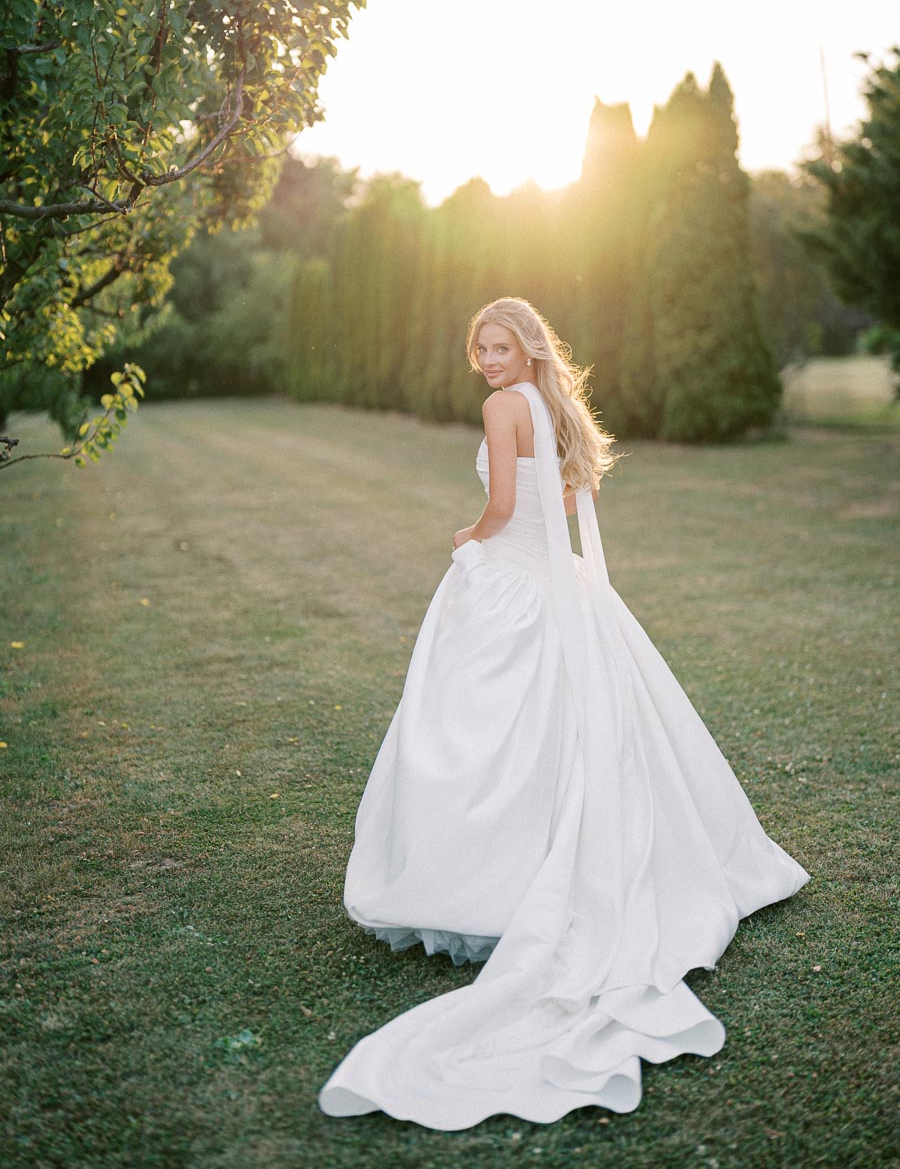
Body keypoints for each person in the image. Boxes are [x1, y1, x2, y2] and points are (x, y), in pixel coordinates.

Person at [318, 296, 809, 1130]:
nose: (487, 359)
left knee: (484, 733)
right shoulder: (556, 406)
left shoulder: (504, 407)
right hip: (561, 588)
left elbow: (507, 507)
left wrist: (467, 537)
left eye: (501, 345)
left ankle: (486, 886)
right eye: (479, 346)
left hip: (513, 583)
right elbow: (567, 502)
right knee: (561, 734)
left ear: (528, 346)